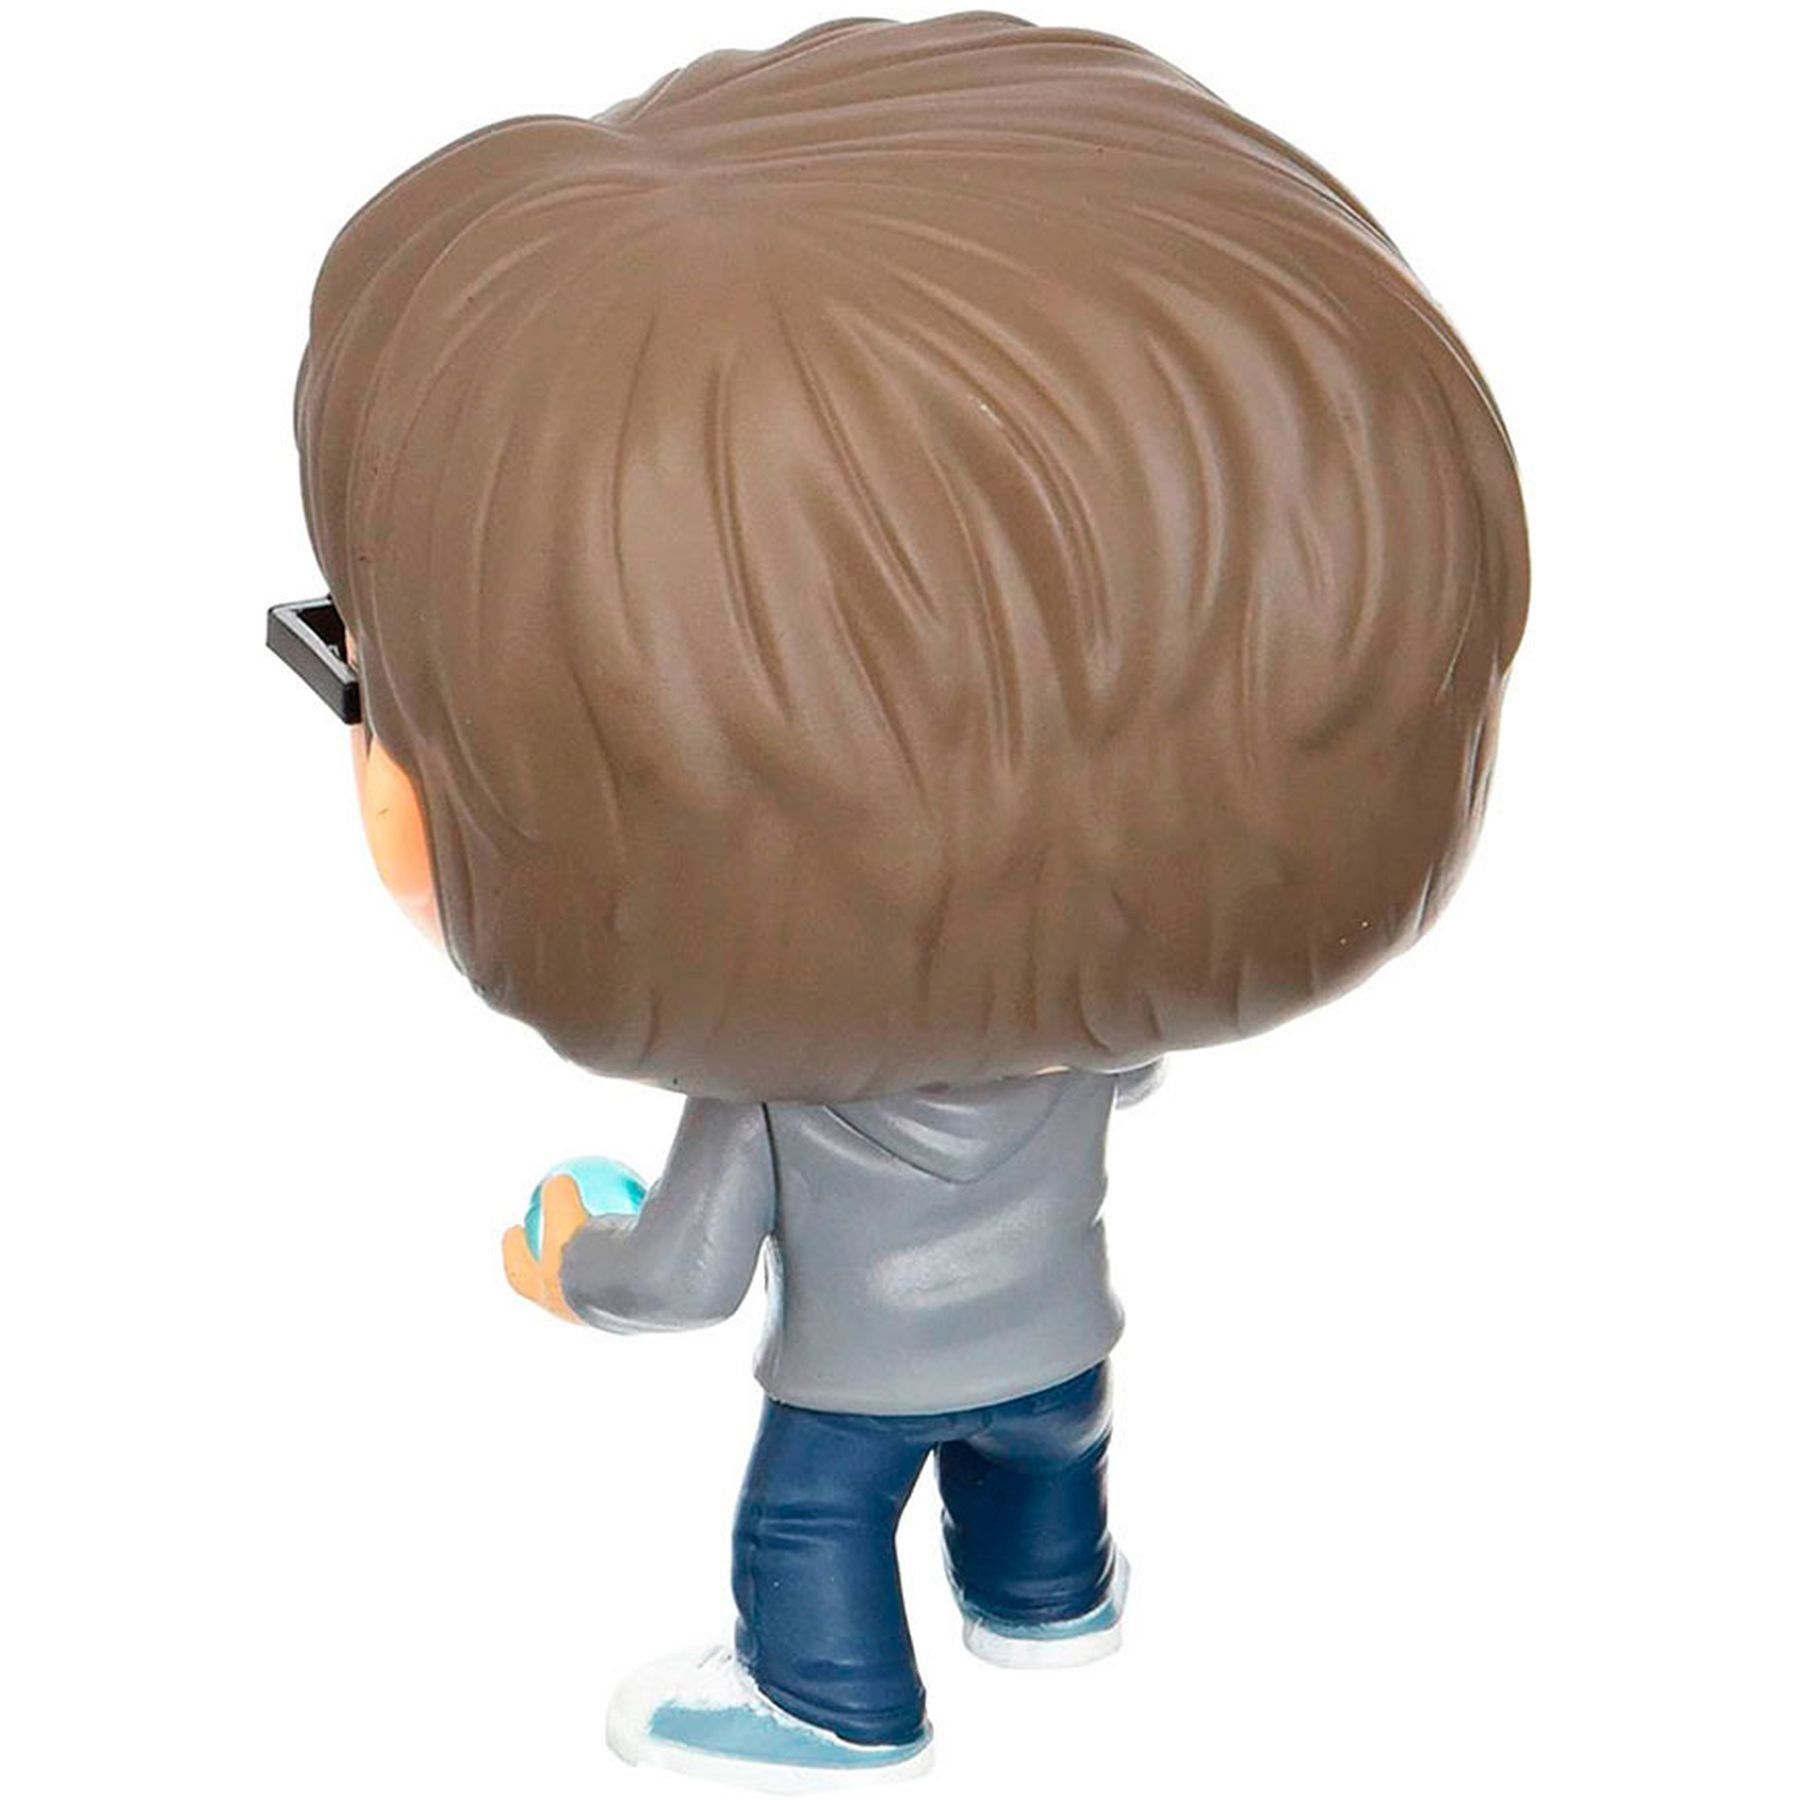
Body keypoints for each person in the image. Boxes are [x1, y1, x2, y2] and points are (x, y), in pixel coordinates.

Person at [276, 14, 1527, 1788]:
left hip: (861, 1390)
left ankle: (829, 1702)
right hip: (1065, 1345)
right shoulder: (1091, 1012)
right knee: (1043, 1466)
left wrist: (574, 1266)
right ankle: (1049, 1603)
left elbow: (683, 1277)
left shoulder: (772, 1089)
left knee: (811, 1529)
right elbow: (1127, 1075)